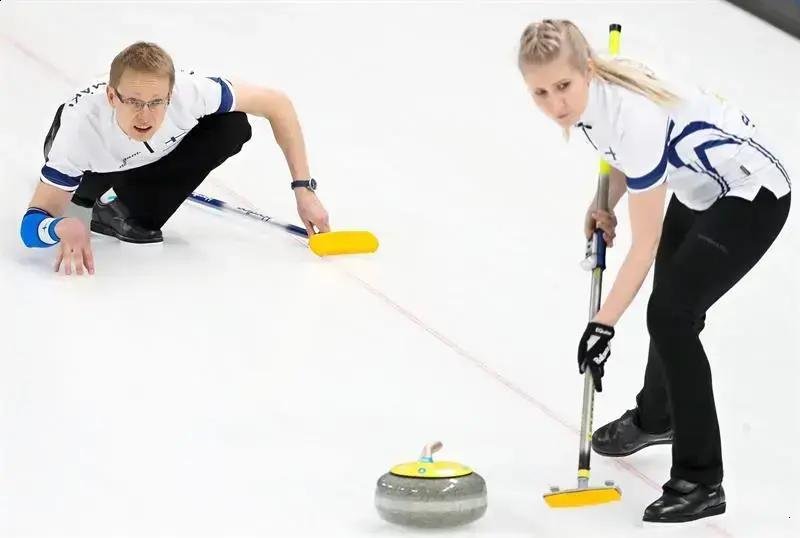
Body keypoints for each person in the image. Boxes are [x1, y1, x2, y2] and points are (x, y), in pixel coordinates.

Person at [518, 19, 791, 523]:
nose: (555, 103)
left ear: (587, 70)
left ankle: (702, 479)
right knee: (670, 303)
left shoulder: (631, 113)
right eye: (539, 93)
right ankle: (658, 416)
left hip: (752, 194)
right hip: (701, 190)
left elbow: (644, 244)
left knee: (671, 313)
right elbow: (622, 155)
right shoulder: (591, 103)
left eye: (562, 86)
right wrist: (604, 203)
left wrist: (601, 324)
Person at [20, 41, 330, 275]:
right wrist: (60, 228)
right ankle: (100, 202)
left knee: (232, 124)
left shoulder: (191, 93)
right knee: (82, 195)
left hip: (148, 156)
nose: (145, 115)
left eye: (157, 102)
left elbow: (277, 104)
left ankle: (123, 210)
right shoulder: (80, 135)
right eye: (134, 102)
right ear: (112, 97)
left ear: (171, 94)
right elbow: (32, 223)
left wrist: (304, 189)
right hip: (96, 170)